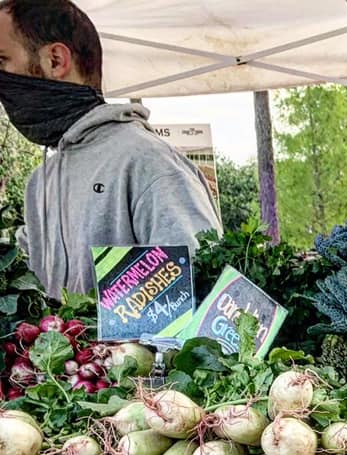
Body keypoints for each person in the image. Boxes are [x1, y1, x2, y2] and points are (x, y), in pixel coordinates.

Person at [0, 0, 221, 299]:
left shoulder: (148, 163)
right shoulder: (40, 183)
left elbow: (204, 293)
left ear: (55, 60)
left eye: (1, 62)